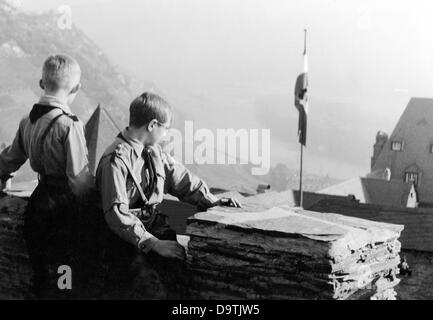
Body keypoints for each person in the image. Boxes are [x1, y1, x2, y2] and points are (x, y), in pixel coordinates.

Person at [96, 92, 242, 299]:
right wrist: (154, 243)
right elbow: (116, 214)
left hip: (153, 229)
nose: (165, 135)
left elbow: (182, 180)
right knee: (138, 289)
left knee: (178, 278)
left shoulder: (154, 152)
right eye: (165, 129)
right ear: (153, 125)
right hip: (124, 241)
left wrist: (211, 200)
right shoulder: (116, 160)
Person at [0, 54, 94, 299]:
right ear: (76, 88)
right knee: (66, 266)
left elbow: (9, 160)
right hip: (63, 207)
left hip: (38, 204)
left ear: (42, 84)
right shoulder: (70, 124)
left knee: (41, 268)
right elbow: (78, 178)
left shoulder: (27, 121)